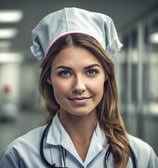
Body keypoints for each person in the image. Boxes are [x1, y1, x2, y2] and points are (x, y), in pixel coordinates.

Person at [0, 7, 158, 168]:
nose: (79, 86)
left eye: (91, 71)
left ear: (106, 75)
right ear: (48, 77)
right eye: (65, 73)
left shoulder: (141, 157)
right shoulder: (19, 156)